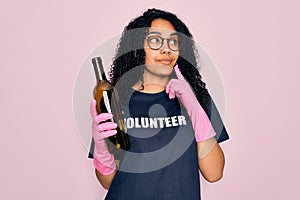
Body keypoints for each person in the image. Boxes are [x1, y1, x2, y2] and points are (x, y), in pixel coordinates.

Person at [89, 8, 229, 199]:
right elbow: (108, 183)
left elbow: (214, 174)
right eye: (155, 40)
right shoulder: (116, 99)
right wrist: (101, 148)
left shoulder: (196, 97)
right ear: (138, 48)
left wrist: (194, 109)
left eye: (173, 41)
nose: (166, 49)